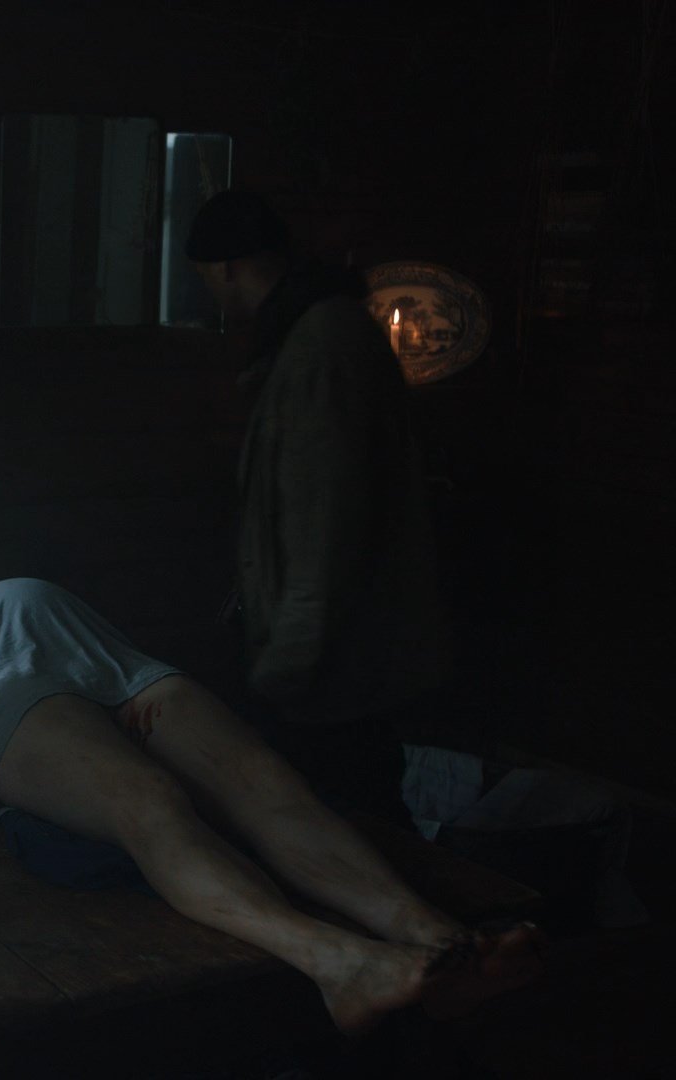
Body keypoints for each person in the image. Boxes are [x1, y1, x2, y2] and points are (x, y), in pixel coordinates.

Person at [0, 576, 540, 1035]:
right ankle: (338, 965)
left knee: (267, 783)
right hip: (3, 697)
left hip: (117, 670)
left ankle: (440, 940)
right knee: (148, 799)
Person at [188, 190, 452, 826]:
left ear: (227, 268)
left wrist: (285, 666)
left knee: (347, 814)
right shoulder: (311, 334)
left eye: (205, 278)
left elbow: (324, 524)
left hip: (335, 667)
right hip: (335, 657)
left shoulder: (321, 345)